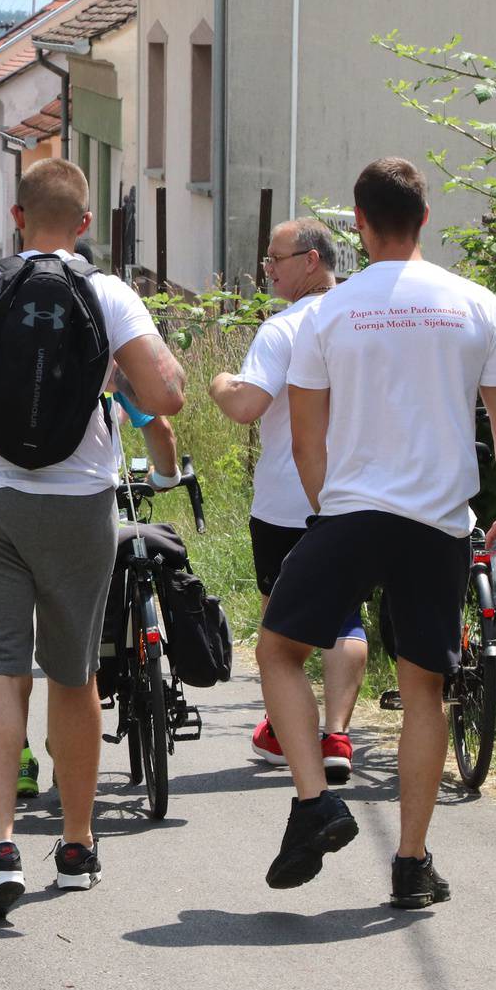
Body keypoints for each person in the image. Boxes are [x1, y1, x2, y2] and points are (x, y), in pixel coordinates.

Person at [0, 158, 185, 917]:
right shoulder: (108, 293)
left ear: (16, 219)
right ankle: (77, 844)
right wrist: (109, 371)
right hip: (80, 501)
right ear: (85, 225)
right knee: (74, 673)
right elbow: (167, 394)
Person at [258, 157, 496, 910]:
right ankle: (411, 863)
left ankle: (315, 800)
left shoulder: (327, 313)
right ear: (424, 218)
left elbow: (307, 439)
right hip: (438, 524)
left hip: (350, 515)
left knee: (279, 650)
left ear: (358, 224)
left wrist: (326, 510)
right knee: (424, 690)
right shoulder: (476, 304)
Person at [208, 218, 364, 782]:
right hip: (357, 493)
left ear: (312, 261)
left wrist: (219, 381)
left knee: (282, 623)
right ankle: (338, 735)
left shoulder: (283, 329)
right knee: (346, 615)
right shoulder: (364, 318)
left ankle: (284, 728)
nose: (266, 268)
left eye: (276, 258)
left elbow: (247, 405)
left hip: (285, 499)